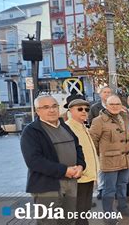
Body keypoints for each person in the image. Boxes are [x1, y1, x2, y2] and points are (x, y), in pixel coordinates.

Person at [20, 95, 86, 225]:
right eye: (46, 107)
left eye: (54, 106)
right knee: (48, 221)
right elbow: (34, 161)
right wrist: (64, 171)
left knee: (69, 220)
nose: (51, 110)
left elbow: (77, 147)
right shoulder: (31, 131)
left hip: (71, 183)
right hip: (47, 186)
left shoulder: (64, 126)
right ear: (38, 111)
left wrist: (81, 166)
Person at [89, 95, 129, 222]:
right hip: (109, 161)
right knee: (109, 189)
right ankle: (108, 214)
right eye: (112, 104)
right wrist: (99, 157)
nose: (115, 106)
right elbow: (92, 142)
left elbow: (123, 138)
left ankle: (122, 207)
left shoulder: (125, 118)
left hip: (125, 159)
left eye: (117, 104)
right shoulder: (98, 121)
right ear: (106, 105)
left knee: (122, 185)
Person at [66, 99, 99, 225]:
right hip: (79, 176)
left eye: (86, 109)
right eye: (80, 109)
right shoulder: (69, 127)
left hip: (88, 175)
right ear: (70, 111)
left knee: (84, 209)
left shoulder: (83, 126)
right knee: (79, 212)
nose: (84, 111)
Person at [88, 86, 112, 200]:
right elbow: (90, 124)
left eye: (109, 92)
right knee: (100, 167)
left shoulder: (115, 106)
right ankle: (101, 189)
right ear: (100, 94)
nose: (107, 94)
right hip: (100, 141)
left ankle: (111, 188)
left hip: (113, 142)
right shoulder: (94, 108)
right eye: (105, 92)